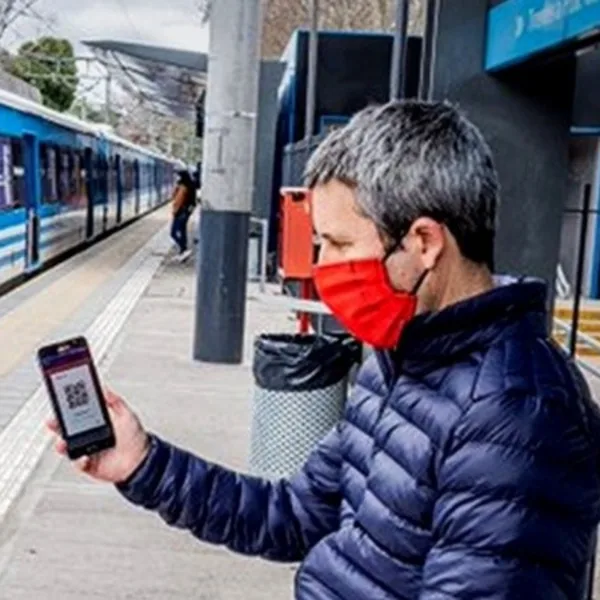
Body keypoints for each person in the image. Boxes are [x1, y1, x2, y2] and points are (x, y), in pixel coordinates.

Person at [48, 100, 600, 600]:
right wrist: (141, 463)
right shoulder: (400, 360)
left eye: (338, 243)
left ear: (424, 243)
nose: (324, 265)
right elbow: (293, 515)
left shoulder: (517, 414)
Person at [170, 170, 196, 262]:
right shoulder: (190, 185)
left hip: (180, 212)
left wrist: (174, 212)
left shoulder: (183, 187)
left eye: (178, 176)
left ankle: (184, 249)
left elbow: (177, 200)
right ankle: (182, 252)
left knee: (173, 232)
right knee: (182, 231)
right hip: (186, 212)